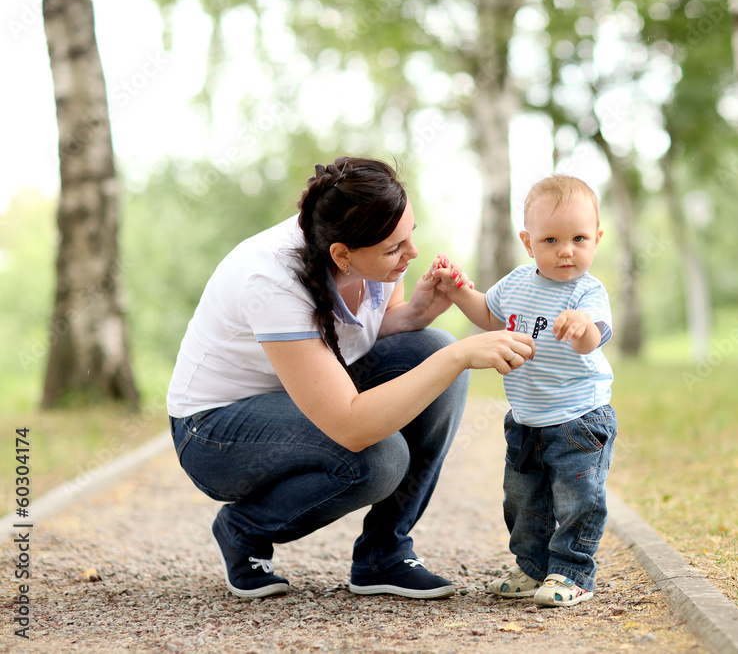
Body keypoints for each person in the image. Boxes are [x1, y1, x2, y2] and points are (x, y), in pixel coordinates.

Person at [166, 157, 535, 600]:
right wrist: (460, 355)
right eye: (394, 249)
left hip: (300, 399)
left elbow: (361, 334)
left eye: (410, 236)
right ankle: (244, 527)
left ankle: (385, 553)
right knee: (379, 456)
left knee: (431, 346)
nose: (412, 254)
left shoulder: (357, 235)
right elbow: (351, 425)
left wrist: (413, 315)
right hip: (215, 434)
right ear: (341, 254)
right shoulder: (271, 279)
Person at [432, 174, 616, 607]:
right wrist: (460, 292)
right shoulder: (516, 282)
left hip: (579, 420)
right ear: (529, 242)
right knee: (523, 499)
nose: (566, 250)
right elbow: (491, 317)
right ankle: (532, 568)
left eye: (579, 238)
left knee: (577, 500)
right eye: (550, 239)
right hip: (526, 419)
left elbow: (594, 339)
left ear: (597, 239)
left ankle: (572, 573)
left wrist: (582, 328)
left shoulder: (587, 291)